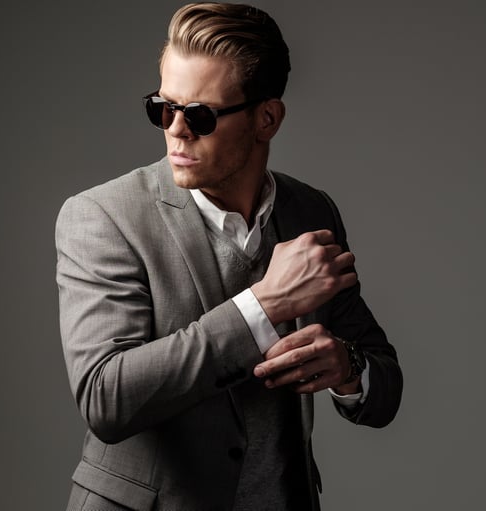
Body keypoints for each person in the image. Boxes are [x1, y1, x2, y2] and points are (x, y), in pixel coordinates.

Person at [55, 3, 402, 510]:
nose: (176, 130)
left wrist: (347, 367)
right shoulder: (104, 216)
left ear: (267, 118)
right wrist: (263, 305)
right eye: (162, 108)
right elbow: (106, 398)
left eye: (199, 115)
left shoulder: (311, 211)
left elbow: (384, 386)